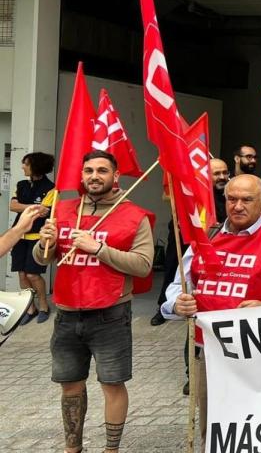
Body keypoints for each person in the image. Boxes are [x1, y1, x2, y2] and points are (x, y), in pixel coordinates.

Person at [162, 174, 261, 445]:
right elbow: (178, 285)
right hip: (207, 352)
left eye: (247, 199)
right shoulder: (205, 237)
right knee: (214, 428)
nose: (238, 206)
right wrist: (176, 302)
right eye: (232, 199)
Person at [34, 150, 156, 453]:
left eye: (102, 170)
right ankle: (72, 448)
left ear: (116, 176)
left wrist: (97, 248)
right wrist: (43, 242)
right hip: (66, 314)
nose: (94, 176)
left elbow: (143, 265)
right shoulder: (62, 210)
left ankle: (111, 450)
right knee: (70, 385)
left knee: (112, 384)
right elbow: (44, 260)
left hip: (110, 314)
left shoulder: (134, 215)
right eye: (88, 170)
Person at [151, 157, 232, 327]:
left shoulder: (230, 195)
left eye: (225, 172)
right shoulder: (193, 189)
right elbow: (168, 196)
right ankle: (164, 307)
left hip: (213, 242)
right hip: (185, 236)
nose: (222, 177)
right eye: (216, 174)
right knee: (174, 271)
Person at [9, 151, 56, 324]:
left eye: (25, 164)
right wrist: (34, 207)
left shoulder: (51, 188)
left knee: (33, 274)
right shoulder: (21, 184)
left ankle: (43, 305)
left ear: (36, 166)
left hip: (37, 237)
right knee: (22, 275)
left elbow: (46, 211)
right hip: (19, 236)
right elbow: (13, 206)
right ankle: (30, 308)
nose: (23, 166)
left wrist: (27, 207)